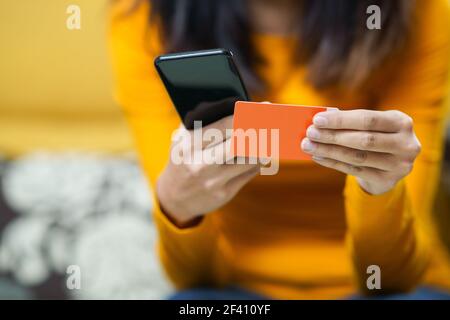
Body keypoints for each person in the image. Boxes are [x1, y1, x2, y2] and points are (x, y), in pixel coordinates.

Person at [109, 0, 450, 299]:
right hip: (234, 292)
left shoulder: (415, 12)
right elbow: (193, 281)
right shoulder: (147, 17)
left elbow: (394, 279)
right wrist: (177, 206)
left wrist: (379, 190)